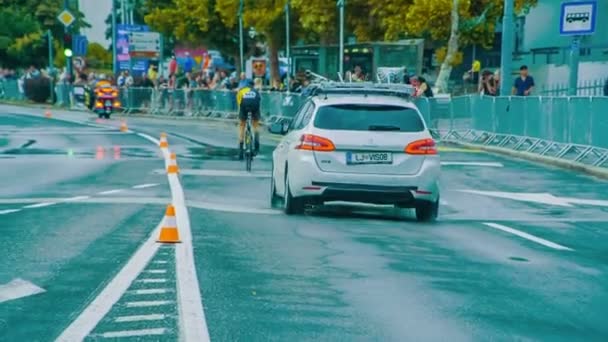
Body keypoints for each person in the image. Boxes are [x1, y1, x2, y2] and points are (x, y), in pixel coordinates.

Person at [236, 78, 262, 159]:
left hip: (244, 107)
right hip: (254, 107)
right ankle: (257, 141)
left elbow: (239, 102)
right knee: (255, 124)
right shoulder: (255, 91)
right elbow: (259, 100)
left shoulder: (241, 91)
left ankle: (241, 148)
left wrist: (240, 115)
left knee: (242, 126)